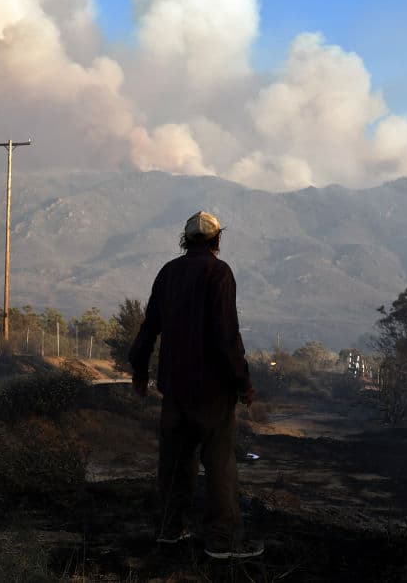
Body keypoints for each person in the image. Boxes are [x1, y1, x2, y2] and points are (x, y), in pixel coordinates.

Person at [128, 211, 262, 560]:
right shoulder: (219, 273)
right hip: (213, 391)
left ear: (186, 240)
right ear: (217, 239)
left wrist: (140, 372)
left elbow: (148, 329)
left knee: (173, 463)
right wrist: (243, 382)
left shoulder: (168, 273)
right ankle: (222, 540)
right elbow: (227, 337)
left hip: (174, 388)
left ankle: (169, 530)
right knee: (219, 464)